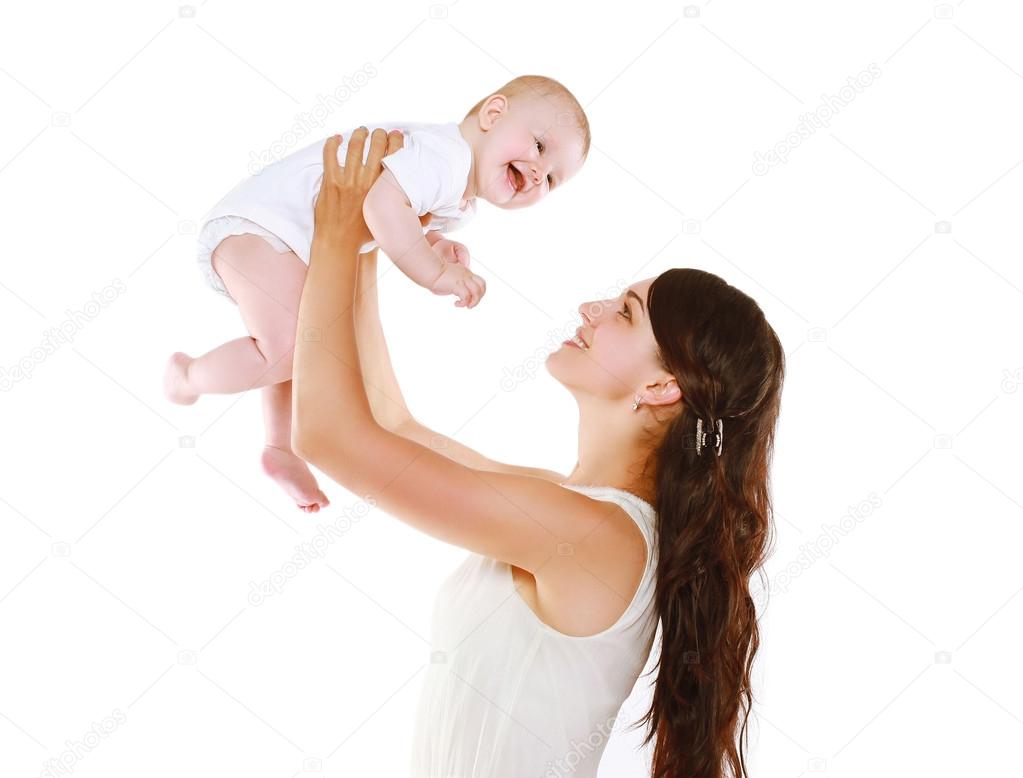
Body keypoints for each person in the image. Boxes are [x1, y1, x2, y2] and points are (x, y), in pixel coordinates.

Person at [293, 128, 786, 778]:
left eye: (625, 313)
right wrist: (363, 247)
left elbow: (328, 436)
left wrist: (329, 236)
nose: (591, 309)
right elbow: (390, 423)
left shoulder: (593, 534)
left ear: (661, 386)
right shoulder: (569, 509)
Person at [162, 75, 589, 513]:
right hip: (262, 227)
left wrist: (438, 247)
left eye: (553, 179)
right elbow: (382, 209)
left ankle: (281, 446)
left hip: (292, 241)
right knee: (290, 347)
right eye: (539, 146)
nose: (539, 172)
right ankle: (188, 377)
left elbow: (405, 218)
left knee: (306, 344)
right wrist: (433, 273)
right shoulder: (444, 157)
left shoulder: (459, 193)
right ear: (493, 114)